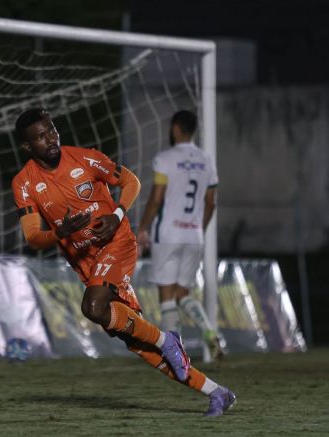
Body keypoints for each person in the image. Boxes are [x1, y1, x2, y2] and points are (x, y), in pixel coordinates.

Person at [12, 108, 235, 417]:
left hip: (117, 243)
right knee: (140, 345)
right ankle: (217, 392)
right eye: (40, 136)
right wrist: (58, 233)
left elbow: (131, 181)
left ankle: (167, 338)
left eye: (52, 131)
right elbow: (33, 237)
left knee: (93, 308)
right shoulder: (24, 183)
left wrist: (117, 216)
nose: (50, 139)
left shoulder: (85, 158)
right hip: (86, 263)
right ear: (27, 147)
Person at [137, 110, 224, 362]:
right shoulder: (207, 160)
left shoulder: (165, 159)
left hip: (168, 233)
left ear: (175, 128)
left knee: (166, 296)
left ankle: (175, 354)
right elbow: (211, 202)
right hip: (194, 235)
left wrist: (143, 227)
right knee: (183, 294)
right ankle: (209, 331)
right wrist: (199, 227)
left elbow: (156, 198)